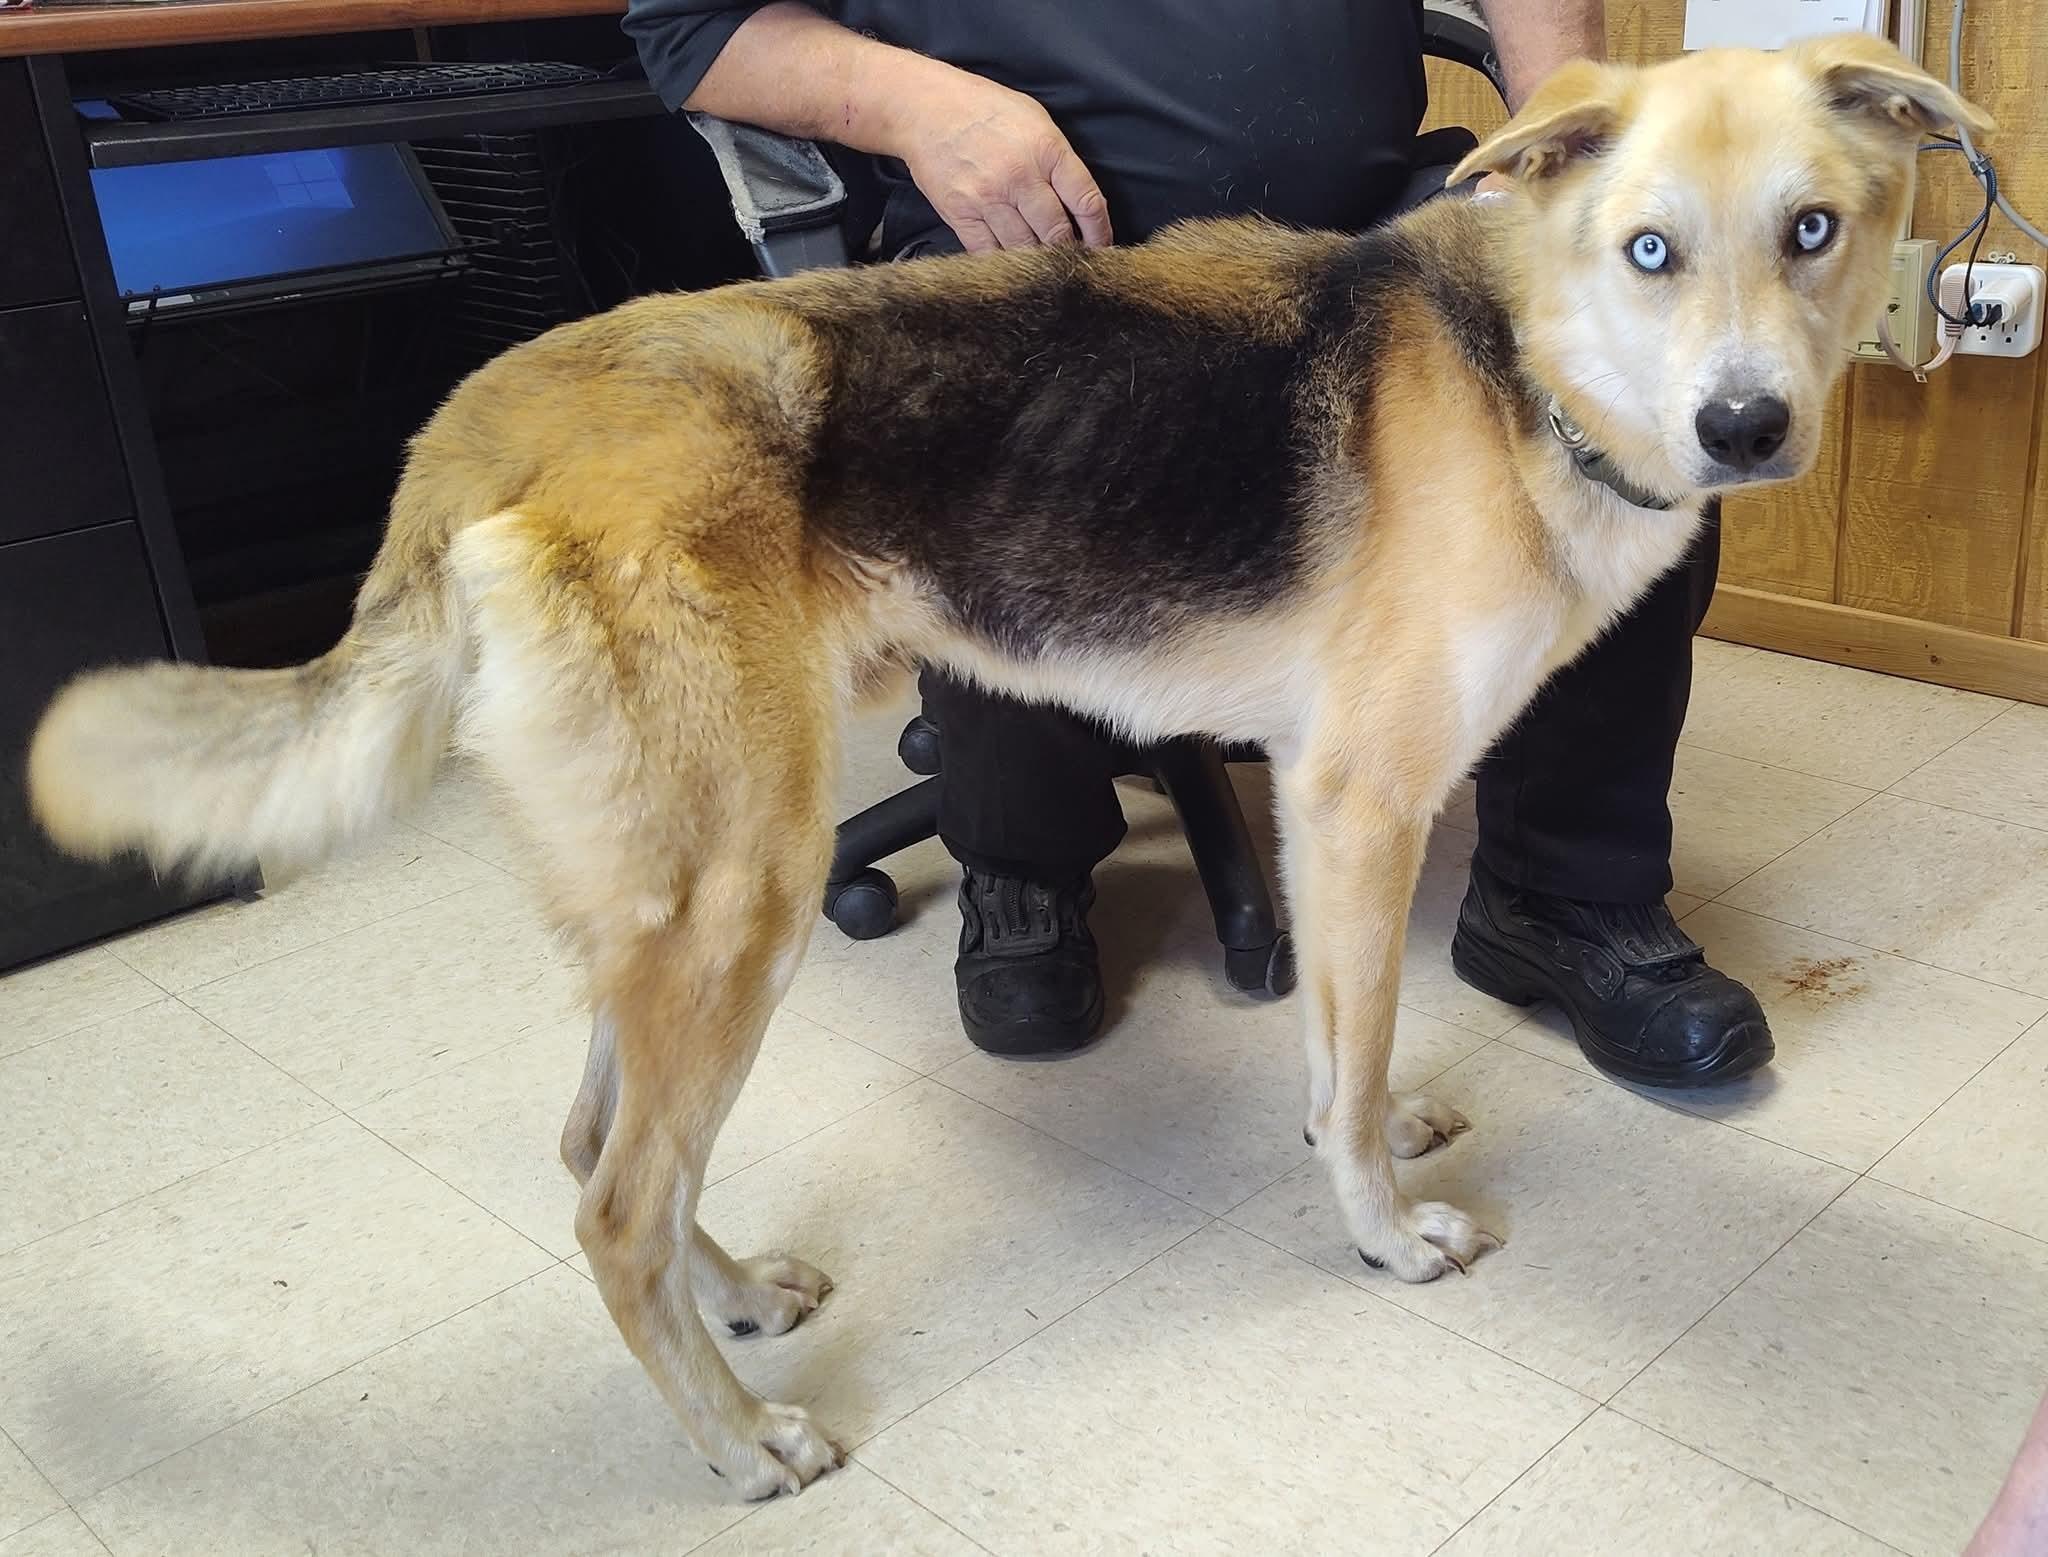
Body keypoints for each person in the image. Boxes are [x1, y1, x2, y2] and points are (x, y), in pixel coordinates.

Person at [622, 0, 1774, 1086]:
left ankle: (1562, 897)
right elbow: (697, 28)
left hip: (1377, 233)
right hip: (1028, 249)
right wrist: (920, 108)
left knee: (1629, 423)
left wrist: (1579, 163)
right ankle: (1024, 865)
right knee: (988, 423)